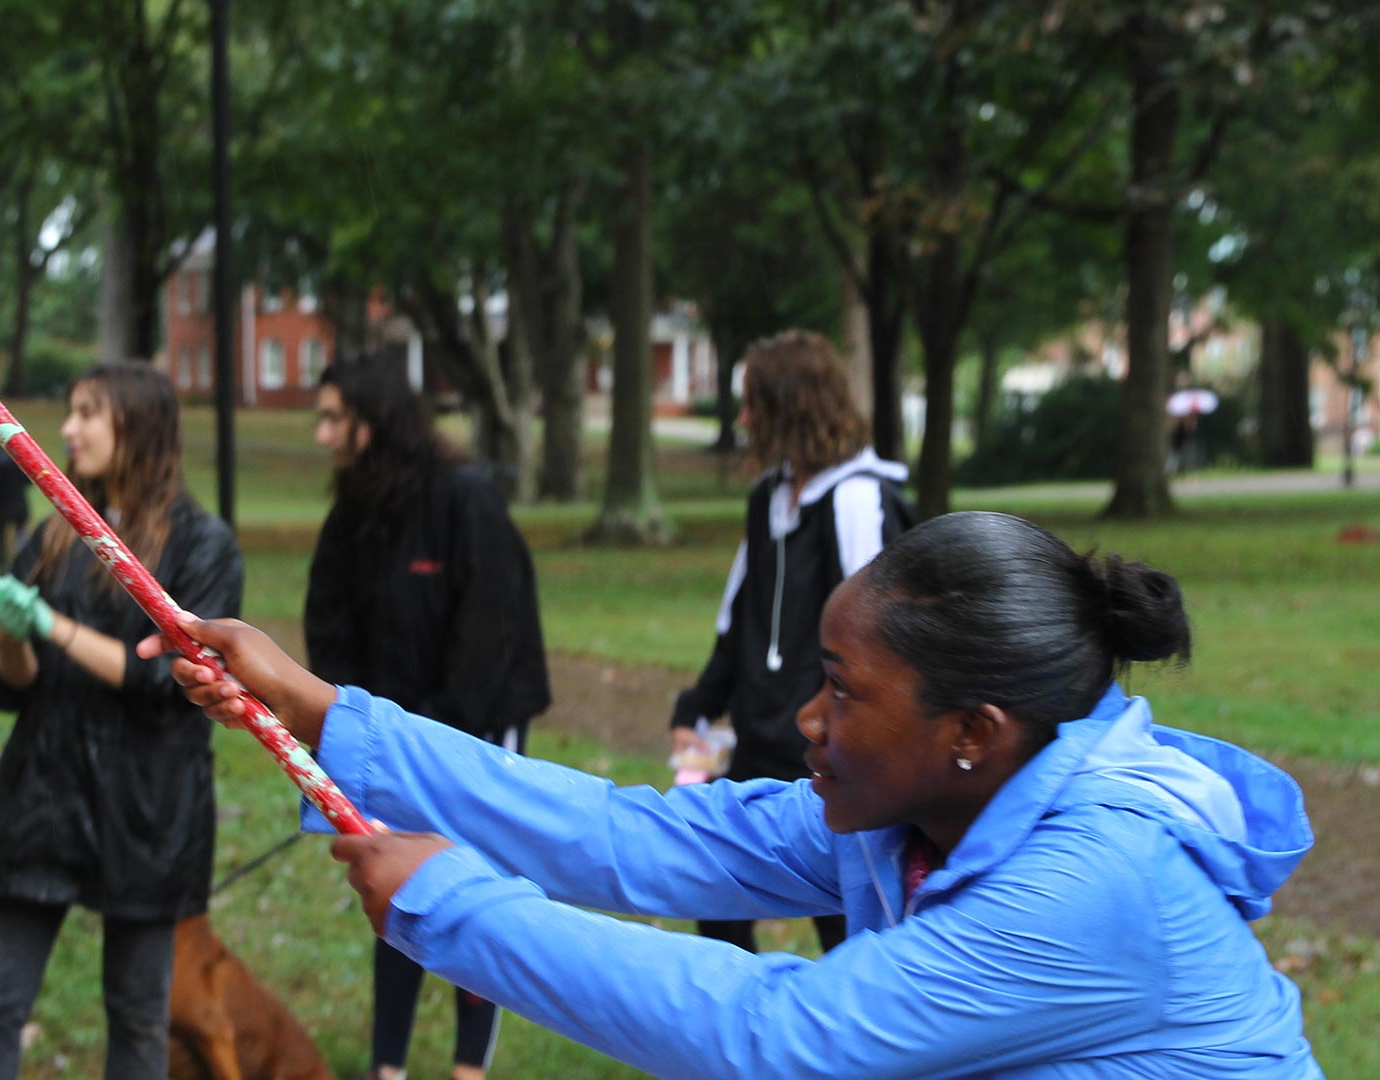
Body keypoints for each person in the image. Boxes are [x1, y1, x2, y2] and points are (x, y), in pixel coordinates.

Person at [141, 511, 1323, 1079]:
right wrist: (319, 710)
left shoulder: (1092, 882)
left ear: (973, 731)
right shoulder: (925, 810)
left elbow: (773, 1036)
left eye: (841, 690)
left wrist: (457, 910)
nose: (808, 721)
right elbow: (636, 835)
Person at [0, 362, 243, 1080]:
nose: (68, 429)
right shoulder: (56, 536)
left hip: (148, 812)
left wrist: (51, 626)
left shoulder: (202, 546)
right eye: (71, 410)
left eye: (88, 413)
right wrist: (16, 635)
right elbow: (7, 685)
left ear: (137, 429)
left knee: (140, 1016)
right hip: (43, 800)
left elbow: (163, 680)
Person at [304, 357, 551, 1080]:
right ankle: (389, 1066)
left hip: (475, 733)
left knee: (477, 889)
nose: (322, 436)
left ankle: (468, 1066)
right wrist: (357, 730)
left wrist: (442, 739)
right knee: (391, 883)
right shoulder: (353, 511)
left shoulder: (465, 499)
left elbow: (491, 632)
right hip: (388, 744)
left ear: (370, 423)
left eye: (331, 418)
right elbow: (330, 626)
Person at [671, 329, 910, 955]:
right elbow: (739, 614)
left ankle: (858, 1044)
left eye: (753, 403)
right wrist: (697, 703)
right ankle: (738, 1041)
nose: (743, 419)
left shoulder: (861, 500)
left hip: (831, 754)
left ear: (791, 407)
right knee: (718, 898)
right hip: (758, 745)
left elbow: (880, 646)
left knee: (849, 921)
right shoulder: (767, 500)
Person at [0, 445, 32, 569]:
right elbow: (29, 481)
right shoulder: (20, 461)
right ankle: (22, 564)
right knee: (20, 536)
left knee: (1, 538)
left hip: (2, 505)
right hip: (20, 503)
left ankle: (1, 565)